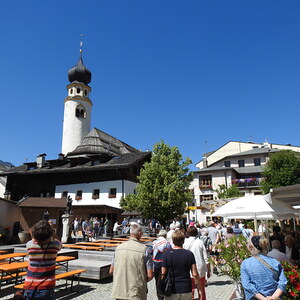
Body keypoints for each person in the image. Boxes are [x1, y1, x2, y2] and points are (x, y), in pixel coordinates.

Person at [110, 222, 153, 300]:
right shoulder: (144, 250)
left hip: (119, 291)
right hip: (136, 292)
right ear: (140, 233)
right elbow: (150, 275)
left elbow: (111, 271)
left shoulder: (118, 248)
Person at [23, 220, 62, 300]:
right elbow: (60, 243)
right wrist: (52, 230)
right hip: (47, 286)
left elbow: (33, 238)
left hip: (30, 284)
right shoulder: (54, 246)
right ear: (49, 235)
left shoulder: (30, 245)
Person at [241, 236, 287, 300]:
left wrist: (263, 299)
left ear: (250, 247)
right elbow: (283, 282)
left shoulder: (246, 263)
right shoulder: (275, 262)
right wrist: (273, 297)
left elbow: (247, 285)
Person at [161, 230, 202, 300]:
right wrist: (200, 289)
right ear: (183, 241)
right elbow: (194, 274)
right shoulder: (189, 254)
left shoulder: (166, 254)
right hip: (186, 287)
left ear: (173, 241)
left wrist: (161, 285)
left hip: (171, 288)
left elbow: (163, 273)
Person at [183, 226, 209, 300]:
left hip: (188, 268)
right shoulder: (200, 242)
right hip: (200, 267)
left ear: (187, 233)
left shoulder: (185, 242)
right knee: (201, 288)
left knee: (190, 289)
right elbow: (205, 257)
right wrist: (208, 269)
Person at [151, 229, 172, 300]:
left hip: (155, 263)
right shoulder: (167, 243)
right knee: (165, 279)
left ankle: (159, 295)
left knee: (157, 280)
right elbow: (169, 254)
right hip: (164, 263)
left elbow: (151, 252)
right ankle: (165, 293)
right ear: (165, 235)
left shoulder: (154, 242)